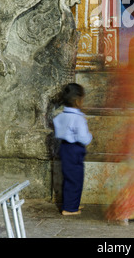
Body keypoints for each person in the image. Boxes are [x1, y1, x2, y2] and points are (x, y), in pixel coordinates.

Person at [53, 83, 92, 216]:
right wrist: (89, 138)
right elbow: (83, 137)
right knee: (75, 179)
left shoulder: (60, 116)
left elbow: (58, 131)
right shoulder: (78, 118)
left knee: (69, 178)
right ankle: (69, 208)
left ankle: (71, 203)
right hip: (75, 149)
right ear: (78, 100)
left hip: (64, 147)